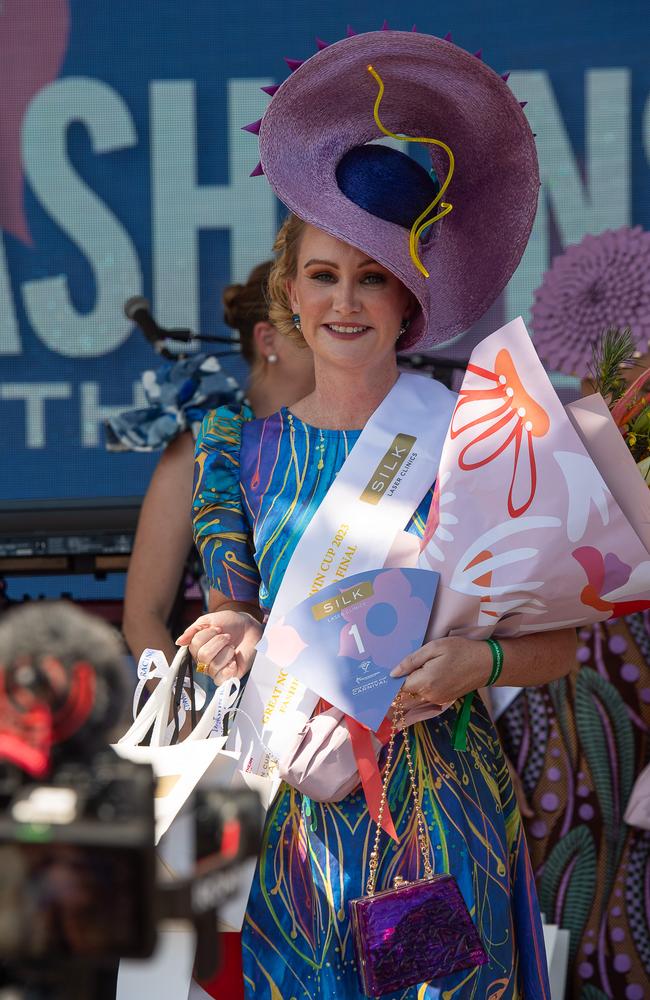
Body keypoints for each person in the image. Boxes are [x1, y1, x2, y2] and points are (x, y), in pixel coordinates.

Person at [179, 28, 578, 999]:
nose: (345, 301)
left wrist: (472, 662)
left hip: (433, 827)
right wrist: (225, 633)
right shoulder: (235, 447)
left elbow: (555, 640)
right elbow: (230, 614)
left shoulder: (470, 439)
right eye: (323, 274)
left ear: (411, 300)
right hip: (295, 830)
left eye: (373, 278)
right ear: (289, 290)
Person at [111, 261, 314, 666]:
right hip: (238, 692)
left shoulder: (364, 438)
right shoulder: (203, 445)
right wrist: (186, 720)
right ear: (267, 340)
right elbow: (142, 617)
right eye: (305, 325)